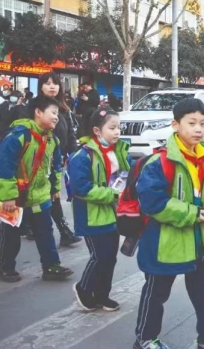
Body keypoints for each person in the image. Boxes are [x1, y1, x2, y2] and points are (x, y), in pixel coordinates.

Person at [133, 98, 204, 349]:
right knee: (156, 293)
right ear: (175, 125)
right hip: (164, 243)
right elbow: (153, 203)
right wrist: (193, 213)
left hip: (197, 241)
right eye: (191, 123)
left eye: (203, 123)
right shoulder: (159, 162)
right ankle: (145, 339)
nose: (198, 129)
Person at [0, 95, 74, 282]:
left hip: (41, 196)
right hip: (15, 197)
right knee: (11, 235)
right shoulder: (19, 136)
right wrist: (7, 197)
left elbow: (55, 167)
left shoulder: (52, 140)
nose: (56, 117)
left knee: (45, 232)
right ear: (38, 112)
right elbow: (5, 166)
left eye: (57, 114)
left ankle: (51, 266)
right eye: (53, 113)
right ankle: (6, 267)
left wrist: (55, 189)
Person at [68, 108, 130, 312]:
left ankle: (102, 295)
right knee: (100, 256)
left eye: (119, 127)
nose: (117, 132)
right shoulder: (83, 155)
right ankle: (84, 289)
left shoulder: (119, 151)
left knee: (110, 257)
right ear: (97, 130)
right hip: (91, 215)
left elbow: (127, 176)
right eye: (112, 128)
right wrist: (113, 194)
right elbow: (81, 188)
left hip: (114, 214)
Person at [36, 72, 81, 246]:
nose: (52, 87)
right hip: (39, 159)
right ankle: (61, 230)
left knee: (53, 193)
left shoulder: (64, 109)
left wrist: (73, 155)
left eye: (55, 83)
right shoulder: (35, 108)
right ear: (41, 87)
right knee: (46, 194)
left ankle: (60, 230)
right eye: (47, 83)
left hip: (57, 159)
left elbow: (70, 134)